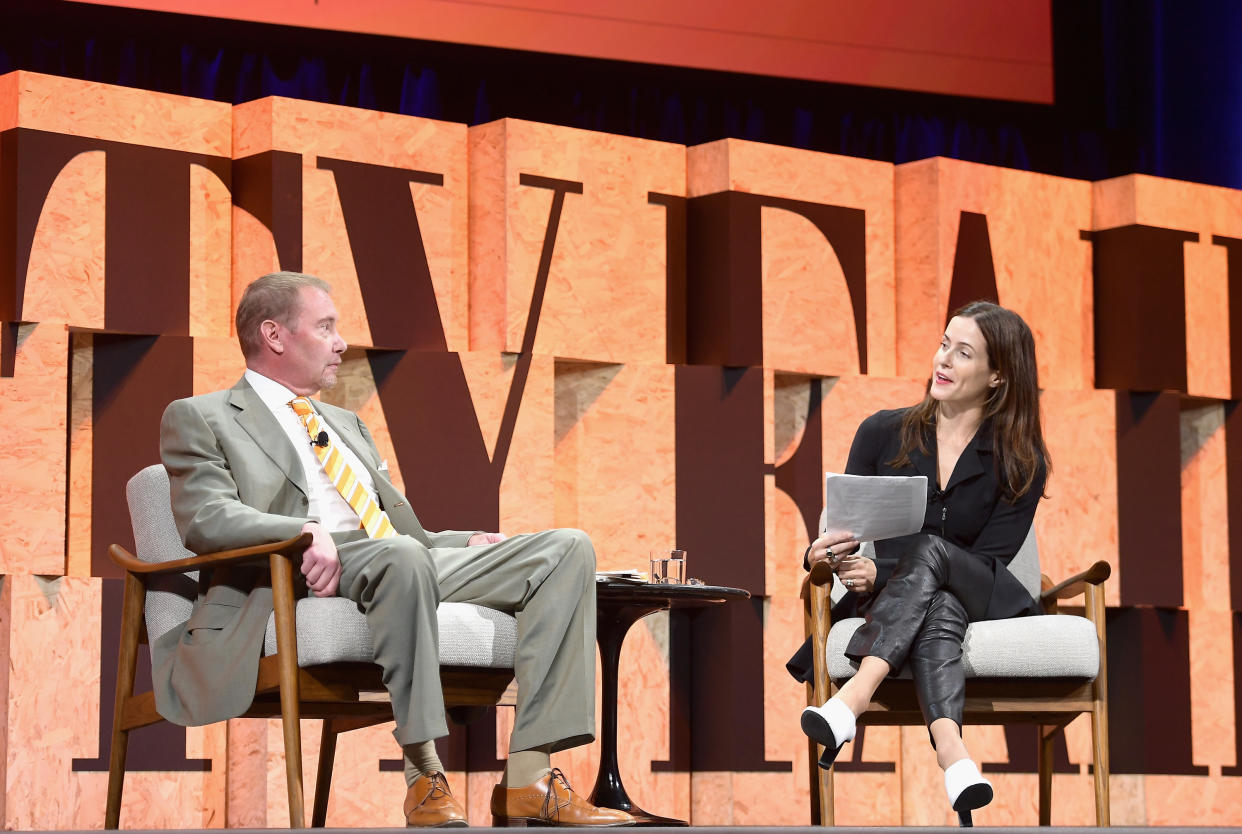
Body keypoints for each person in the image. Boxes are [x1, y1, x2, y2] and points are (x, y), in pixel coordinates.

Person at [153, 271, 634, 828]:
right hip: (299, 566)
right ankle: (424, 776)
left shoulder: (346, 422)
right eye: (326, 327)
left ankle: (529, 776)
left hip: (391, 554)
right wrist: (305, 531)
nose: (340, 343)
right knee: (400, 557)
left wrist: (466, 543)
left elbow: (401, 529)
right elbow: (207, 517)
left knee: (566, 549)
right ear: (275, 335)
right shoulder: (202, 415)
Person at [791, 300, 1049, 821]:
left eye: (964, 352)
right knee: (940, 610)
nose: (944, 361)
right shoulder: (881, 432)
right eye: (943, 344)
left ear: (997, 375)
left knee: (936, 554)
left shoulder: (1022, 459)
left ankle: (851, 703)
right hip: (910, 603)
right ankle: (955, 758)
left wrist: (880, 572)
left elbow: (988, 560)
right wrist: (823, 552)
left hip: (986, 592)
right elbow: (843, 530)